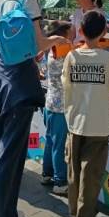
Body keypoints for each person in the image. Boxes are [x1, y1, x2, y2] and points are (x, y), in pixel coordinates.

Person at [0, 0, 69, 217]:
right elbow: (39, 42)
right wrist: (56, 39)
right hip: (21, 81)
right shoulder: (27, 1)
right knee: (11, 155)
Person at [62, 11, 109, 217]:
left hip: (75, 121)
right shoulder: (108, 59)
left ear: (80, 30)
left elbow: (66, 85)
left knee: (74, 170)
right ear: (104, 32)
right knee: (91, 174)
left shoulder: (72, 56)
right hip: (98, 124)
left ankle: (74, 212)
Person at [41, 21, 73, 195]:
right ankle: (60, 182)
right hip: (60, 107)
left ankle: (47, 174)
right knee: (59, 145)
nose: (73, 36)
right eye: (70, 33)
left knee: (50, 141)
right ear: (62, 36)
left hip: (50, 104)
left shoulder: (52, 51)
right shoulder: (64, 54)